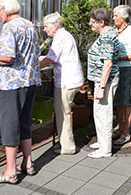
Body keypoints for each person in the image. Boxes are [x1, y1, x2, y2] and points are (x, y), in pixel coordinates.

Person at [0, 0, 41, 184]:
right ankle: (28, 163)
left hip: (12, 84)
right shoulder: (30, 25)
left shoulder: (9, 27)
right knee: (25, 122)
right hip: (30, 81)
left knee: (10, 126)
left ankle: (10, 171)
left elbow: (8, 57)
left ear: (7, 9)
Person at [39, 12, 84, 155]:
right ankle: (66, 143)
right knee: (64, 112)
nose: (45, 30)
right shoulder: (65, 35)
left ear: (55, 26)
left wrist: (32, 68)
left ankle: (68, 147)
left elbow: (50, 59)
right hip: (72, 79)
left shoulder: (60, 37)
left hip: (66, 81)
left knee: (62, 113)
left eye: (46, 27)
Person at [87, 8, 120, 158]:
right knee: (99, 112)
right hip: (102, 81)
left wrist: (101, 87)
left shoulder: (107, 37)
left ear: (101, 22)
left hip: (105, 82)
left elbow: (108, 64)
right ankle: (102, 141)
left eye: (93, 22)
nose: (90, 24)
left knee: (103, 114)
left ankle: (105, 149)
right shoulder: (108, 34)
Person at [112, 5, 131, 146]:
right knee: (118, 101)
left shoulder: (130, 31)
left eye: (116, 15)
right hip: (116, 70)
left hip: (128, 69)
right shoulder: (115, 31)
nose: (113, 18)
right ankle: (120, 128)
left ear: (124, 17)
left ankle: (126, 133)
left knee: (127, 101)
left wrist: (119, 58)